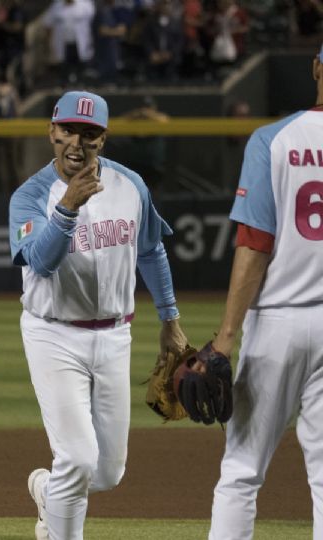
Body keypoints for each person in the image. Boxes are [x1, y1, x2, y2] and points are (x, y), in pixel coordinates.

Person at [8, 90, 187, 540]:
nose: (76, 142)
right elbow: (41, 262)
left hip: (114, 336)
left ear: (103, 139)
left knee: (107, 472)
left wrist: (170, 319)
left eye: (89, 134)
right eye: (68, 130)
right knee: (78, 459)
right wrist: (67, 207)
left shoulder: (130, 185)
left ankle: (47, 490)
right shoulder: (30, 196)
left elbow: (151, 250)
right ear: (52, 131)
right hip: (53, 334)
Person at [206, 43, 323, 540]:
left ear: (317, 68)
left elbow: (254, 246)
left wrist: (225, 339)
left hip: (276, 323)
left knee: (242, 471)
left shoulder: (272, 139)